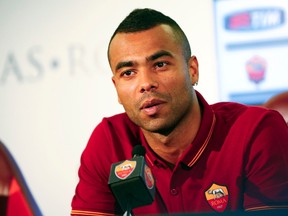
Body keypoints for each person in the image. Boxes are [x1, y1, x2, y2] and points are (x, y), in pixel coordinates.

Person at [71, 8, 288, 216]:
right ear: (116, 87)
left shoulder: (256, 131)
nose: (146, 83)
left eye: (160, 64)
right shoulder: (110, 141)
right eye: (129, 72)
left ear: (192, 70)